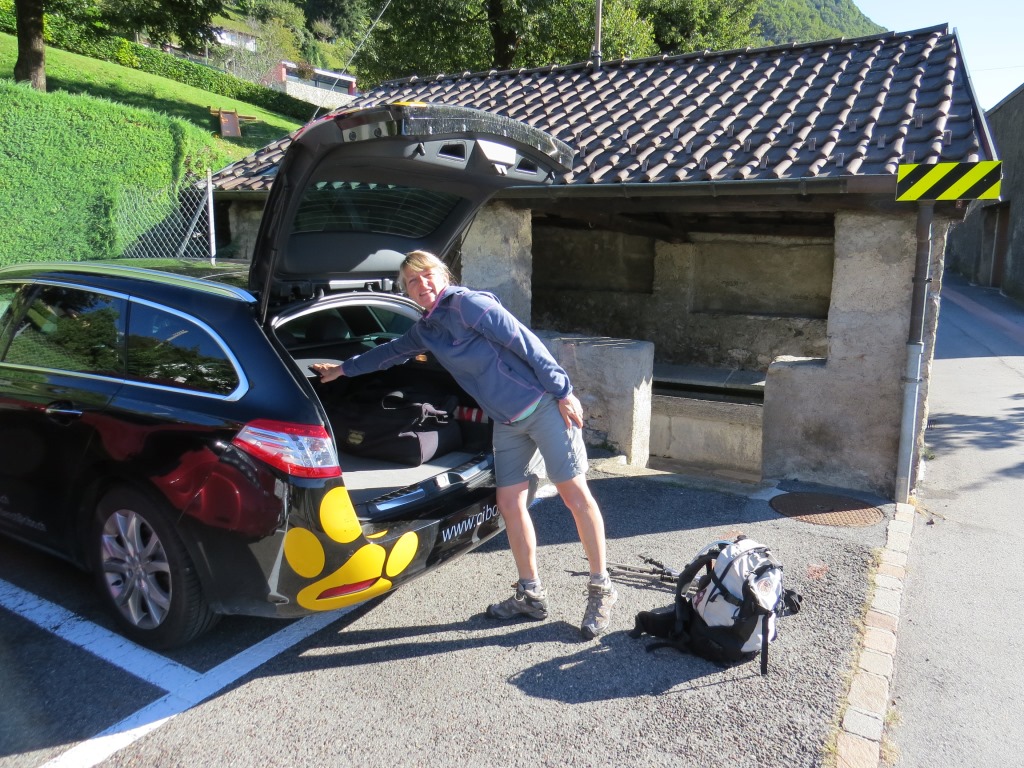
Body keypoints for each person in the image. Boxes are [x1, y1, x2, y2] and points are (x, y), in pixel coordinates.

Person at [312, 250, 617, 639]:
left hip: (543, 407)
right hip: (506, 423)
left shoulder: (468, 305)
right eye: (411, 281)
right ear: (406, 291)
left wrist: (563, 391)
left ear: (443, 275)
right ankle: (530, 594)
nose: (421, 284)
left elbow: (525, 343)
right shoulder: (427, 329)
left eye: (426, 275)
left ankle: (601, 588)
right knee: (510, 504)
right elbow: (389, 354)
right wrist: (341, 369)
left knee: (575, 496)